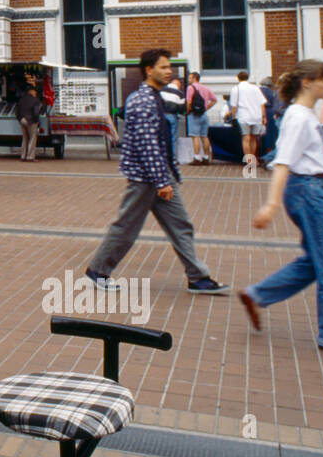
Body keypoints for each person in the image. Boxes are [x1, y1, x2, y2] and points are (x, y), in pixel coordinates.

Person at [240, 60, 323, 356]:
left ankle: (257, 294)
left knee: (316, 261)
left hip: (310, 189)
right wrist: (270, 203)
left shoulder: (302, 115)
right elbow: (282, 161)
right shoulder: (299, 117)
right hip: (309, 192)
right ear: (307, 82)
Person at [85, 49, 228, 295]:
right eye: (163, 67)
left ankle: (198, 277)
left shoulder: (154, 97)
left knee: (180, 224)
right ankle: (97, 271)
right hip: (147, 178)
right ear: (149, 70)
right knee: (127, 226)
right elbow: (147, 143)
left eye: (169, 66)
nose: (169, 70)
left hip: (157, 175)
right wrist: (162, 181)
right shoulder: (142, 100)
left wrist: (165, 176)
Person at [230, 70, 267, 164]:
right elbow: (262, 103)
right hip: (256, 116)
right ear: (248, 78)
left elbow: (234, 106)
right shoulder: (255, 88)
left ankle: (249, 160)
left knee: (246, 138)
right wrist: (263, 117)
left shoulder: (235, 89)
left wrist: (233, 117)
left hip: (243, 116)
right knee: (254, 138)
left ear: (238, 78)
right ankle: (253, 158)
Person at [186, 71, 216, 164]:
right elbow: (214, 100)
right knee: (204, 136)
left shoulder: (190, 88)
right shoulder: (205, 88)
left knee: (195, 137)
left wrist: (187, 112)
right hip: (204, 115)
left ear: (195, 78)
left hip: (194, 115)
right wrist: (206, 109)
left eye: (190, 78)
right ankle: (206, 157)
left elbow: (189, 102)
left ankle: (197, 158)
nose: (188, 79)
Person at [159, 80, 186, 160]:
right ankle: (172, 158)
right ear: (178, 85)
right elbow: (182, 108)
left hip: (162, 115)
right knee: (173, 137)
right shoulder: (180, 93)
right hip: (172, 116)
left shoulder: (161, 89)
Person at [16, 83, 42, 161]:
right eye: (35, 92)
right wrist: (37, 121)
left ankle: (23, 155)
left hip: (22, 120)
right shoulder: (35, 100)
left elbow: (17, 112)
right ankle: (30, 157)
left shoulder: (21, 100)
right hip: (31, 121)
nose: (36, 94)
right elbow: (36, 112)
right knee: (32, 138)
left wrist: (20, 119)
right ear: (32, 92)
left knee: (24, 138)